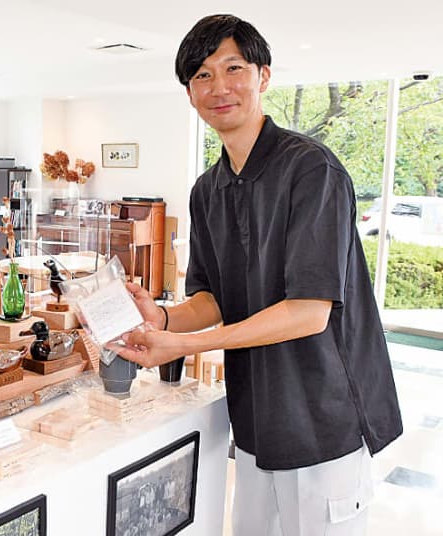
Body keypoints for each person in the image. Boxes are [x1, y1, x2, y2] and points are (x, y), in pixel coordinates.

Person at [112, 14, 402, 536]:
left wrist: (184, 346)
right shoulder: (208, 190)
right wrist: (163, 318)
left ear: (263, 76)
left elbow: (308, 313)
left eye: (233, 68)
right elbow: (213, 298)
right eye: (202, 75)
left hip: (322, 419)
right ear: (189, 93)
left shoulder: (312, 170)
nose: (218, 87)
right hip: (254, 423)